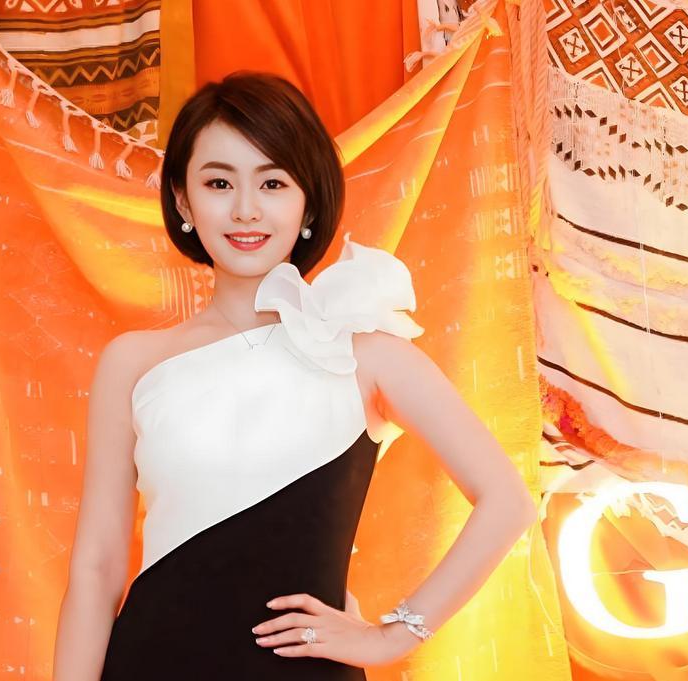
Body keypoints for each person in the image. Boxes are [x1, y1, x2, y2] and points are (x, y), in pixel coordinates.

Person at [52, 71, 538, 680]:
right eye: (219, 182)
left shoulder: (366, 351)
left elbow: (508, 501)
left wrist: (391, 637)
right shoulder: (133, 362)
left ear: (308, 200)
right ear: (183, 200)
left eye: (273, 182)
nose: (245, 209)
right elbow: (96, 570)